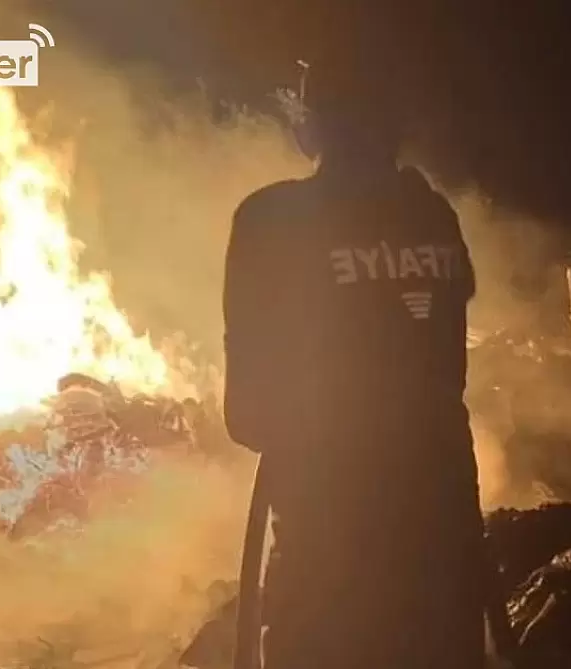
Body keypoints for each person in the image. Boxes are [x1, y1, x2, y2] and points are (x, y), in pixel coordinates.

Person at [222, 59, 489, 669]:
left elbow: (249, 417)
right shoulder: (433, 216)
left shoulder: (271, 220)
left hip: (329, 539)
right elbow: (446, 374)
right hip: (441, 526)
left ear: (311, 128)